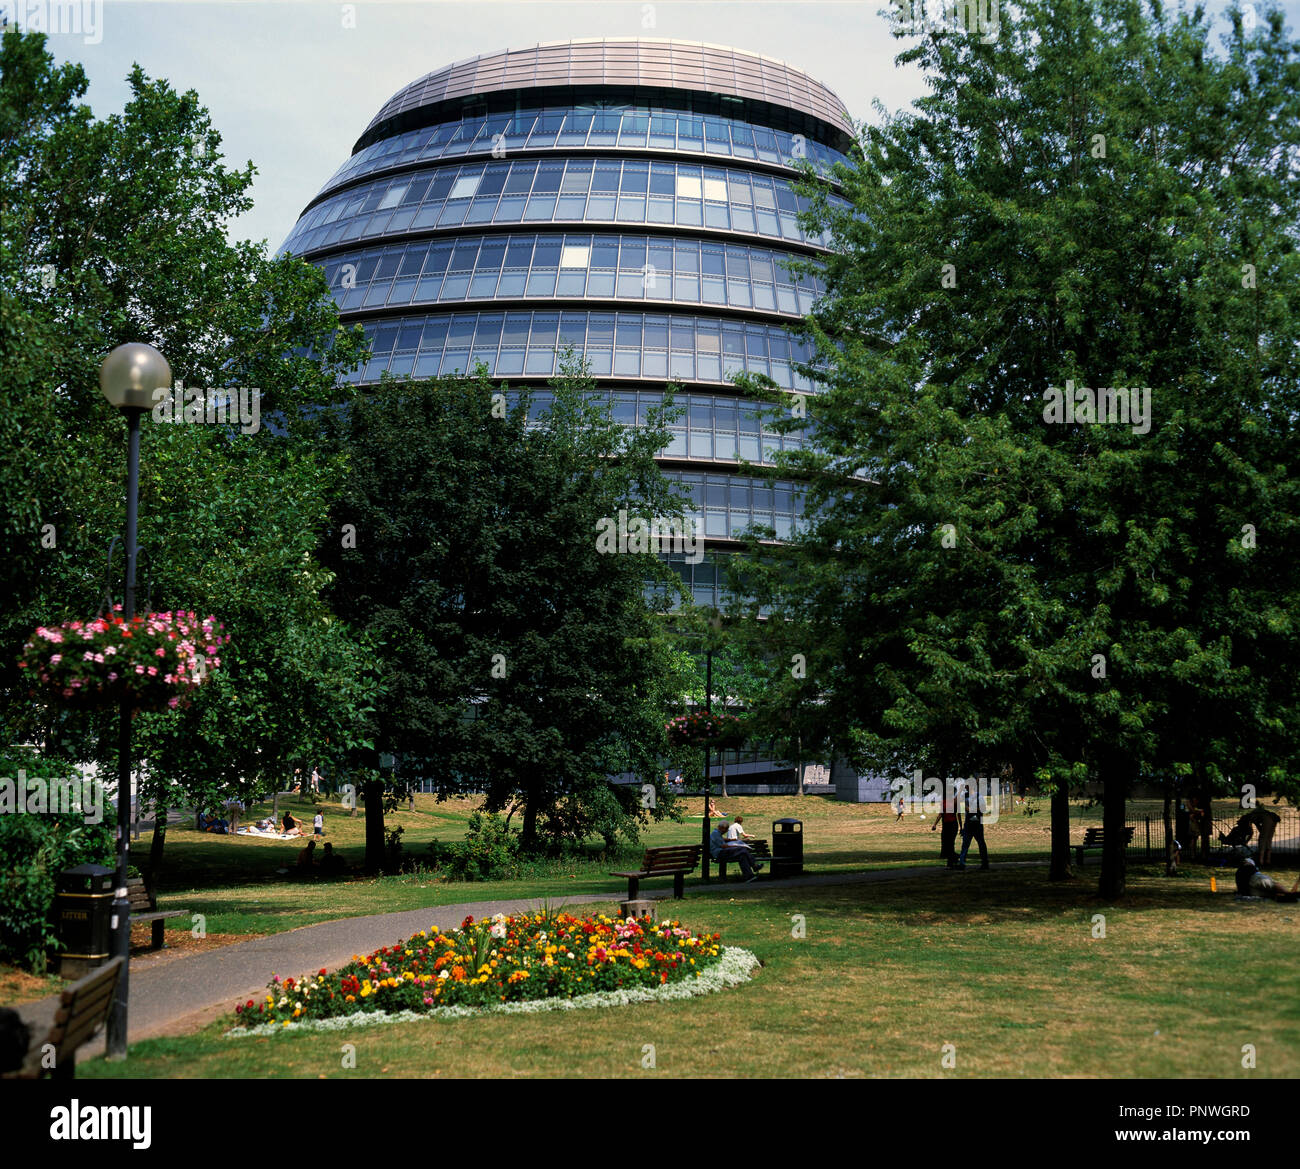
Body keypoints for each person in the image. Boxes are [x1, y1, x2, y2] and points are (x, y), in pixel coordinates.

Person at [1234, 857, 1300, 901]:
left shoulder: (1240, 872)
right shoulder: (1249, 866)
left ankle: (1289, 895)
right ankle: (1290, 894)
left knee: (1272, 893)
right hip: (1253, 879)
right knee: (1274, 886)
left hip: (1248, 891)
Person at [957, 782, 989, 870]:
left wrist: (971, 809)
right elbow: (956, 801)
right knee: (965, 844)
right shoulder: (965, 796)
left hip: (977, 823)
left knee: (981, 843)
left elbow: (983, 809)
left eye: (967, 785)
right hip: (968, 823)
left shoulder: (979, 796)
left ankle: (985, 863)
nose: (965, 787)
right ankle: (962, 863)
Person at [932, 784, 962, 868]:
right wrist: (935, 824)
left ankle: (950, 863)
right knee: (947, 844)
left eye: (950, 791)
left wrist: (961, 827)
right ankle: (956, 858)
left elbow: (959, 814)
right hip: (946, 825)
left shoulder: (955, 801)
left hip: (953, 824)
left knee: (950, 844)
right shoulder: (943, 802)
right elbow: (940, 814)